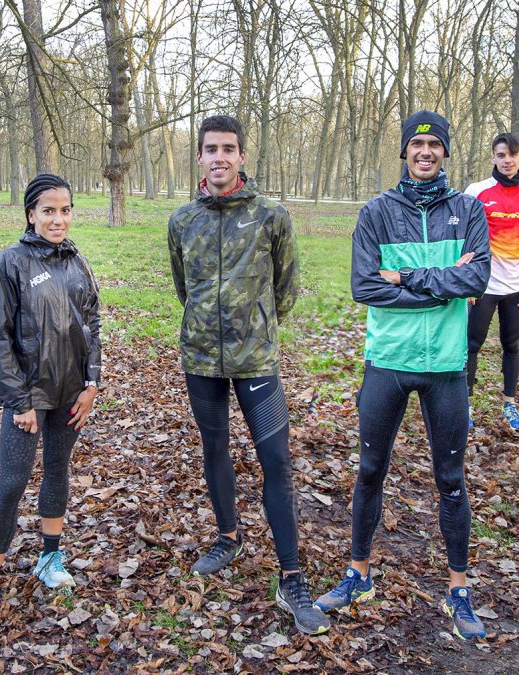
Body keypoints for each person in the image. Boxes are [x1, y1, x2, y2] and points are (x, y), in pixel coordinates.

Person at [313, 111, 492, 641]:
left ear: (445, 153)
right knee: (370, 471)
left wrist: (411, 278)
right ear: (404, 153)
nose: (426, 152)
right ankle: (358, 575)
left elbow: (478, 275)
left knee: (451, 481)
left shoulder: (468, 210)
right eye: (418, 145)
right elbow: (365, 287)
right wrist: (444, 286)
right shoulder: (376, 213)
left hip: (446, 369)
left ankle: (458, 590)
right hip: (388, 362)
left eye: (436, 144)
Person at [168, 114, 329, 635]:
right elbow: (183, 287)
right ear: (200, 156)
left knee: (275, 460)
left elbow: (288, 286)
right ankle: (228, 537)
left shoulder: (270, 216)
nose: (220, 157)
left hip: (257, 361)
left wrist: (257, 326)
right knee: (213, 450)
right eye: (211, 148)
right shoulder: (182, 221)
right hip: (201, 362)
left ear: (242, 156)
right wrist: (207, 328)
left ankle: (291, 575)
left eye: (229, 149)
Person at [0, 173, 101, 631]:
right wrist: (18, 400)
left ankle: (49, 558)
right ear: (31, 214)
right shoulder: (9, 262)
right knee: (13, 482)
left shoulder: (78, 261)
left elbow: (92, 326)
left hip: (70, 396)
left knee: (58, 472)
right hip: (27, 399)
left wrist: (92, 383)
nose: (58, 219)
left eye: (65, 210)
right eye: (49, 210)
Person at [464, 133, 519, 431]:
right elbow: (465, 238)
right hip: (483, 285)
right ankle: (465, 405)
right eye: (501, 155)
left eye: (512, 154)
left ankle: (510, 404)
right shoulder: (477, 191)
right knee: (471, 345)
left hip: (516, 288)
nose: (507, 160)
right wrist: (468, 281)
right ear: (493, 157)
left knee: (512, 347)